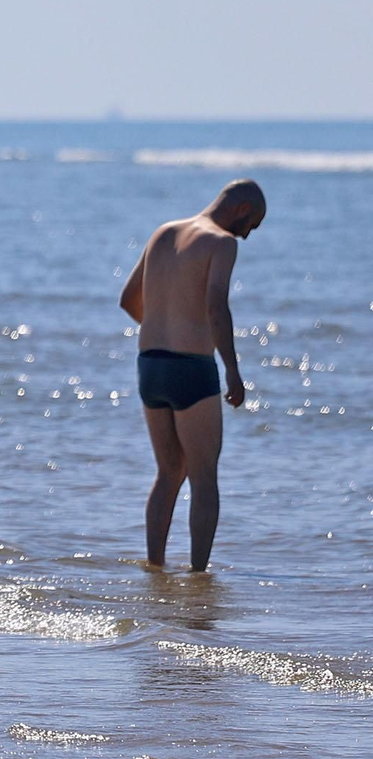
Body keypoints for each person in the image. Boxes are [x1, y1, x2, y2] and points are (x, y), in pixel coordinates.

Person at [119, 179, 265, 573]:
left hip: (150, 364)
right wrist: (233, 371)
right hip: (190, 368)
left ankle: (155, 569)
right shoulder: (222, 242)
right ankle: (198, 575)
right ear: (243, 210)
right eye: (251, 227)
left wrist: (166, 325)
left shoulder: (163, 232)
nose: (246, 237)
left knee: (168, 472)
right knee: (204, 478)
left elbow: (128, 300)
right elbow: (217, 307)